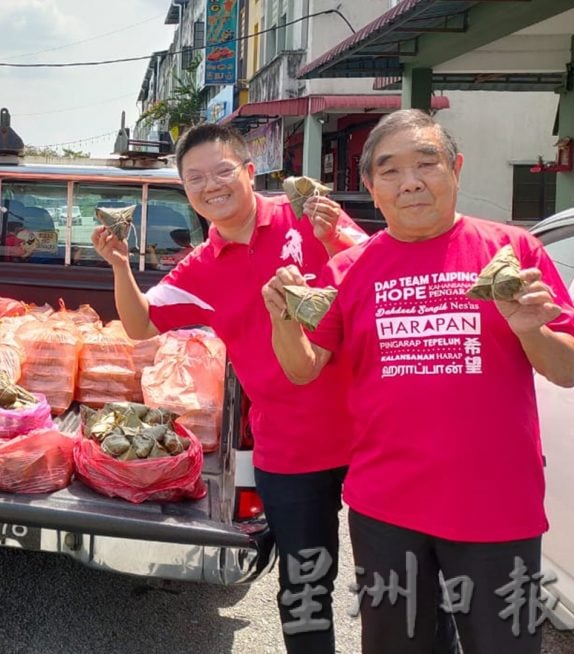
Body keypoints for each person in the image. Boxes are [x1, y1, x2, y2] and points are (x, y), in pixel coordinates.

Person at [263, 109, 574, 654]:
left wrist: (530, 329)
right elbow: (303, 368)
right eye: (390, 170)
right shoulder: (349, 270)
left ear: (455, 170)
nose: (410, 182)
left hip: (496, 505)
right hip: (385, 509)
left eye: (426, 164)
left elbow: (567, 369)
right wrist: (282, 321)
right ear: (371, 188)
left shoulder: (513, 252)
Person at [93, 123, 368, 653]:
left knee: (393, 577)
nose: (211, 186)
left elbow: (374, 267)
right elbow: (140, 324)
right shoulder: (201, 267)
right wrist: (121, 265)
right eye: (195, 179)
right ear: (186, 190)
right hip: (291, 446)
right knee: (305, 583)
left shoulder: (304, 216)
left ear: (249, 171)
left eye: (222, 171)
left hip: (371, 431)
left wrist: (334, 234)